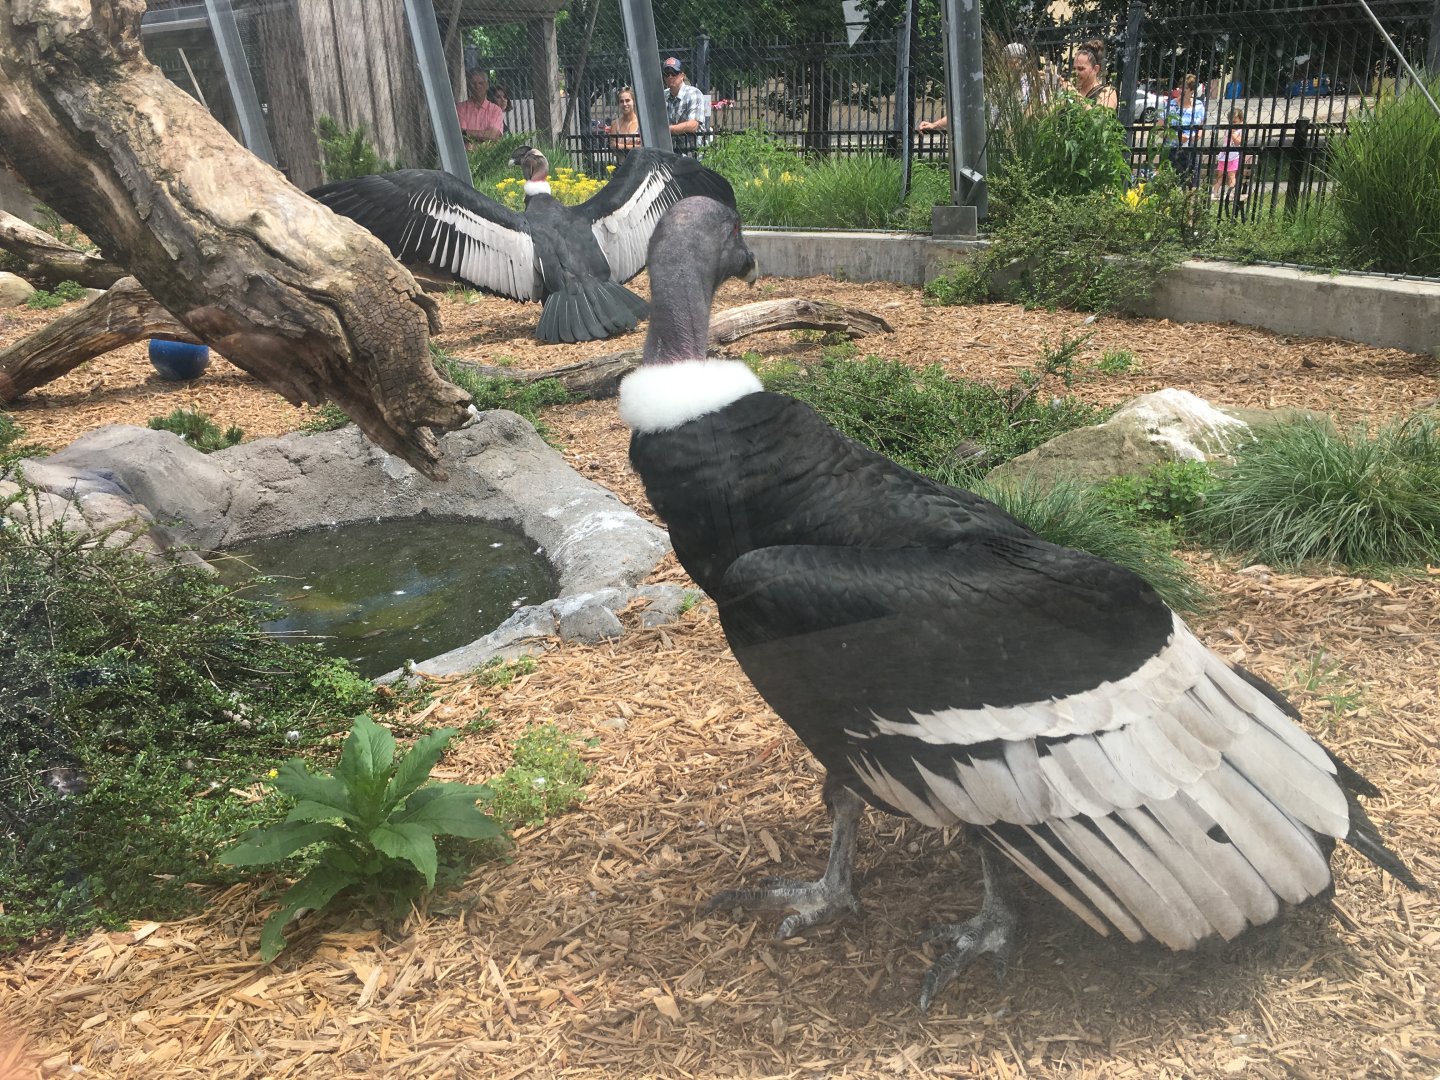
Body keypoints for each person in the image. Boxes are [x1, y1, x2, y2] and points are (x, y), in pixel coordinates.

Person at [1167, 74, 1206, 185]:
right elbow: (1160, 128)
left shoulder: (1198, 106)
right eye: (1180, 87)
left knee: (1190, 182)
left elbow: (1202, 128)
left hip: (1191, 149)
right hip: (1173, 149)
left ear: (1192, 90)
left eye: (1184, 87)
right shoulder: (1171, 105)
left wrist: (1196, 136)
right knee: (1173, 183)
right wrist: (1176, 137)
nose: (1180, 90)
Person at [661, 56, 707, 152]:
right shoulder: (663, 95)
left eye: (674, 73)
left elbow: (693, 125)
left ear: (682, 75)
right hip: (670, 151)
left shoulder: (694, 93)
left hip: (692, 151)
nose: (670, 77)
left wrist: (667, 130)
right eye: (666, 73)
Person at [457, 67, 504, 146]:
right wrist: (485, 136)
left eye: (480, 83)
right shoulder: (461, 108)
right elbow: (460, 135)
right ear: (469, 86)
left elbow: (492, 135)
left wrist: (467, 133)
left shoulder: (495, 110)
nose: (477, 87)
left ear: (487, 85)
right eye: (473, 83)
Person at [1070, 38, 1118, 110]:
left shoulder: (1107, 92)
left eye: (1081, 69)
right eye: (1074, 69)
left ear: (1095, 69)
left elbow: (1099, 119)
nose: (1076, 73)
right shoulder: (1070, 93)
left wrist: (1075, 95)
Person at [1212, 107, 1246, 201]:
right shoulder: (1228, 129)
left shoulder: (1240, 130)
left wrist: (1234, 134)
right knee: (1220, 176)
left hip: (1234, 156)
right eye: (1231, 122)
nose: (1233, 124)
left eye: (1235, 122)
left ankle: (1231, 192)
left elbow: (1238, 143)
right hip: (1224, 156)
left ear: (1241, 120)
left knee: (1231, 176)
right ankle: (1215, 191)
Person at [607, 86, 642, 157]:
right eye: (621, 101)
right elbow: (613, 145)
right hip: (621, 164)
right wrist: (633, 146)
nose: (625, 104)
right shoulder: (615, 124)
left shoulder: (641, 123)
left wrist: (620, 145)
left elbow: (642, 147)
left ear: (634, 102)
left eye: (627, 100)